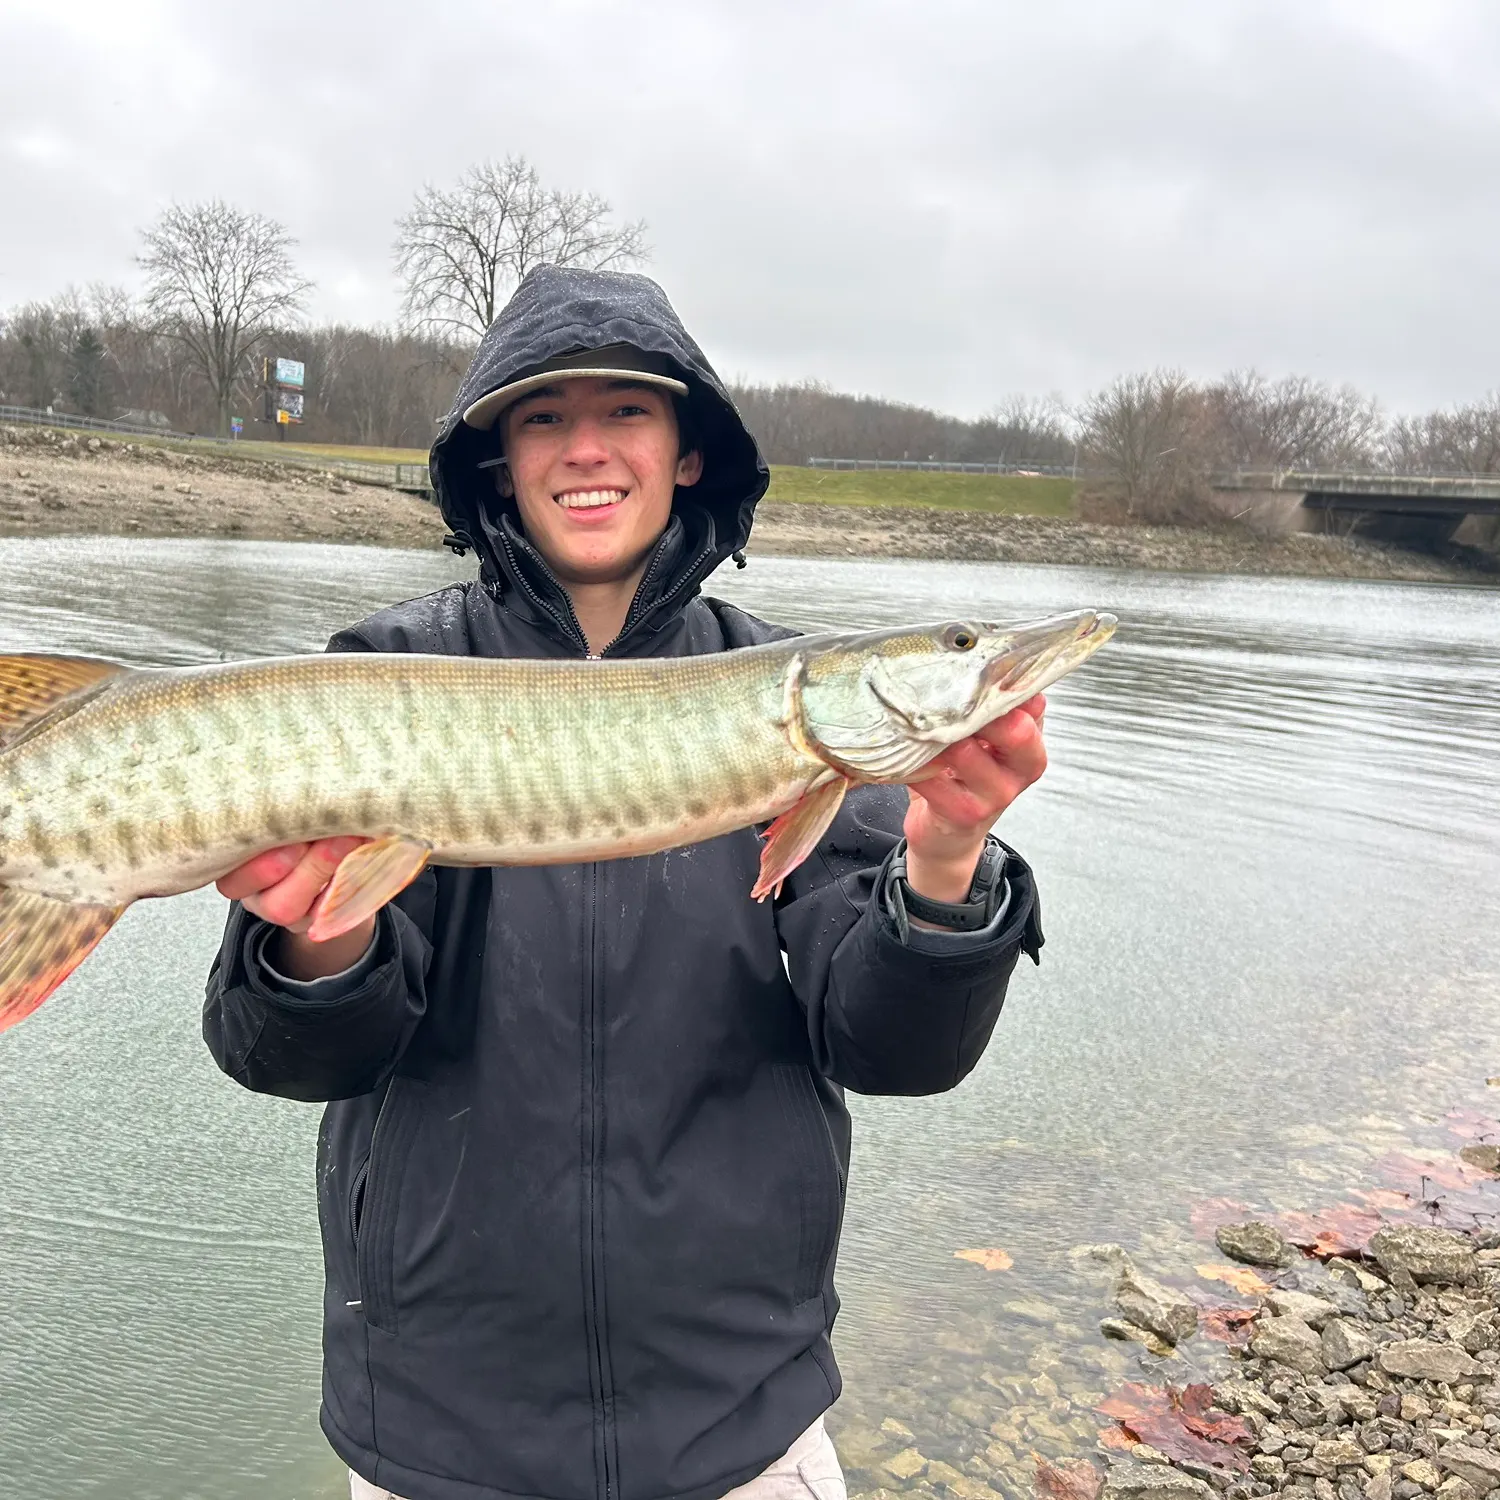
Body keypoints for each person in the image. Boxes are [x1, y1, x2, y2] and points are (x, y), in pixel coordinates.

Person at [203, 266, 1049, 1500]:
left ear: (688, 451)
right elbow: (285, 1054)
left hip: (738, 1423)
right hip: (443, 1428)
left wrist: (945, 861)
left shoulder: (788, 703)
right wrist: (317, 945)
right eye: (543, 416)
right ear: (496, 459)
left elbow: (887, 1048)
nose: (585, 449)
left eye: (629, 413)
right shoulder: (386, 670)